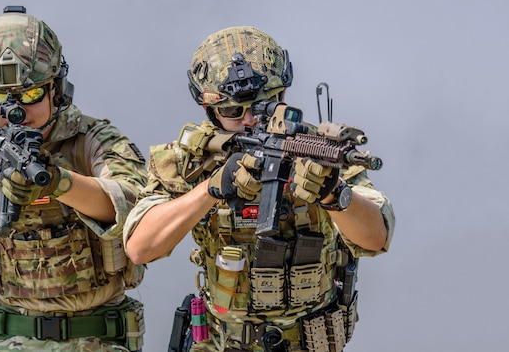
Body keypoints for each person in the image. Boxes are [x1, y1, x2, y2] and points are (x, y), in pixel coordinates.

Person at [125, 26, 395, 352]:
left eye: (263, 104)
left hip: (310, 341)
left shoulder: (317, 150)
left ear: (282, 96)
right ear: (208, 109)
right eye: (232, 111)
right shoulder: (189, 158)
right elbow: (140, 247)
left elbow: (376, 237)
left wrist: (333, 194)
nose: (251, 119)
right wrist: (211, 188)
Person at [0, 6, 148, 352]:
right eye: (1, 98)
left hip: (97, 336)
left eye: (32, 94)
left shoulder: (91, 138)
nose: (17, 110)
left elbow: (137, 211)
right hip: (12, 336)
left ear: (56, 88)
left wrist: (59, 182)